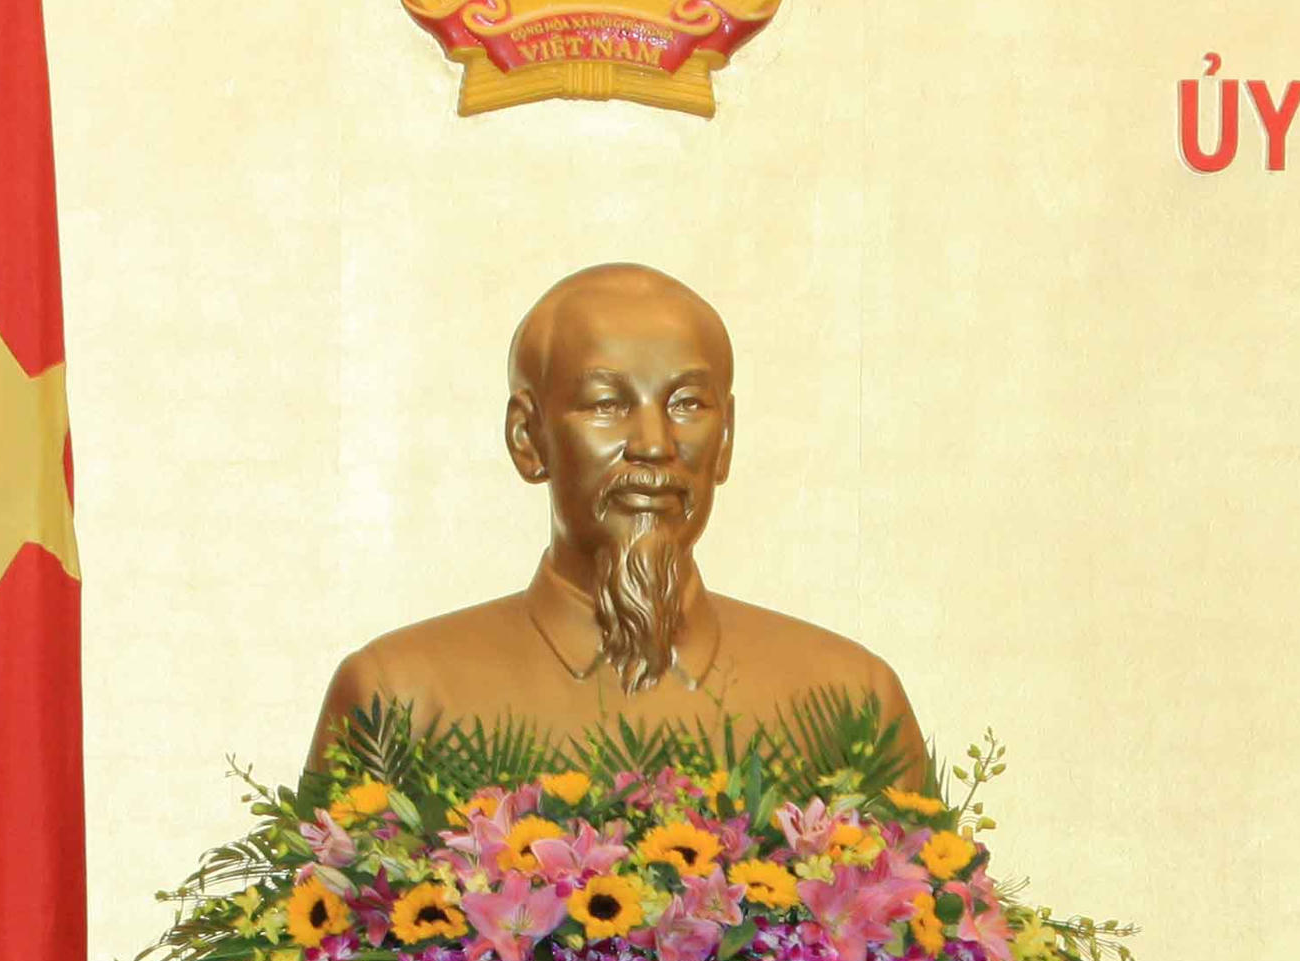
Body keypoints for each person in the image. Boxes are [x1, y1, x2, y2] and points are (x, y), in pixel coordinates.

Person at [311, 263, 928, 780]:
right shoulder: (401, 701)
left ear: (727, 439)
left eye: (688, 404)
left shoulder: (852, 704)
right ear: (528, 438)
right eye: (607, 404)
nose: (654, 444)